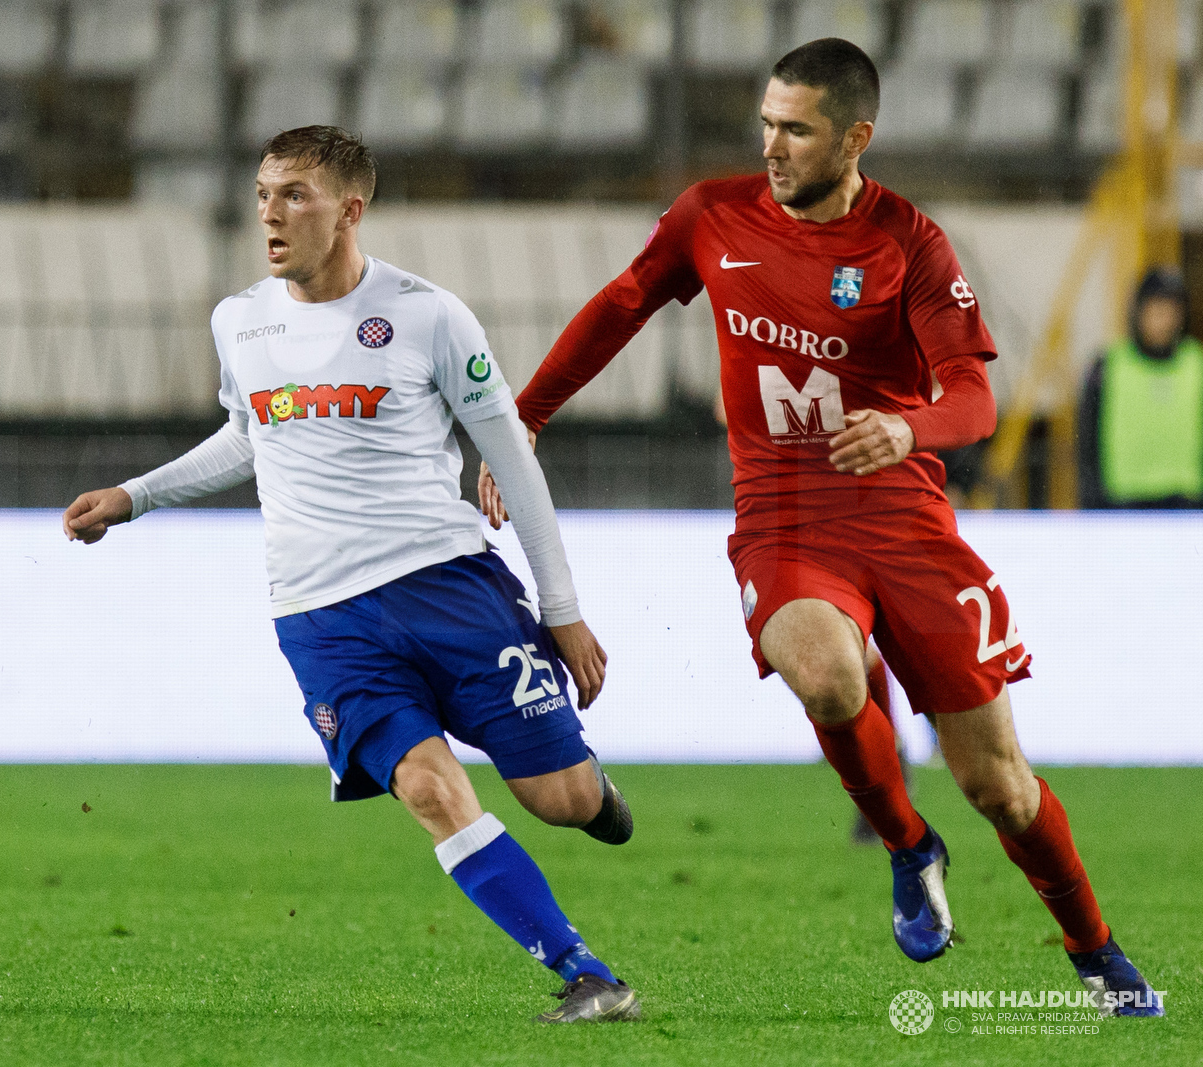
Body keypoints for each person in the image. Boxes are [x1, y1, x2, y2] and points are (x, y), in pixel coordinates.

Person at [482, 40, 1161, 1015]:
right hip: (783, 515)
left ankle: (1095, 950)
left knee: (1001, 785)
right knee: (829, 673)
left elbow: (973, 399)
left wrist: (907, 424)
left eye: (794, 129)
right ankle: (904, 842)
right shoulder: (710, 217)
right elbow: (622, 303)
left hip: (905, 518)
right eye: (764, 122)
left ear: (854, 138)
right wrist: (529, 416)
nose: (771, 145)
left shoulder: (909, 244)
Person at [62, 126, 639, 1023]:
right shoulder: (239, 319)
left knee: (559, 798)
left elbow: (511, 460)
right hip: (322, 617)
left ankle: (592, 790)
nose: (270, 214)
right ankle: (584, 971)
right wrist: (135, 496)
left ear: (349, 209)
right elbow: (251, 437)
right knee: (427, 787)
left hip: (449, 586)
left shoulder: (428, 314)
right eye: (262, 194)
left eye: (294, 194)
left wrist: (561, 608)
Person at [1077, 267, 1203, 509]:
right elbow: (1087, 443)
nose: (1163, 320)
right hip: (1122, 504)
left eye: (1170, 311)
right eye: (1155, 309)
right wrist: (1092, 503)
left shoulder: (1195, 364)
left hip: (1186, 504)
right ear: (1138, 312)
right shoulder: (1108, 365)